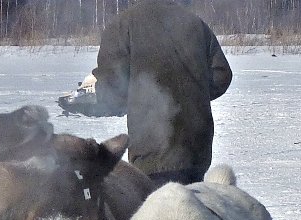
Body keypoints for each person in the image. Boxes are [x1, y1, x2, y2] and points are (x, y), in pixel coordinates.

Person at [91, 0, 232, 186]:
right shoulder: (195, 23)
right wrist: (194, 94)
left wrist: (105, 100)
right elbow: (221, 74)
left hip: (152, 150)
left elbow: (111, 87)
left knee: (158, 209)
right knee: (191, 207)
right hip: (196, 147)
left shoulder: (122, 24)